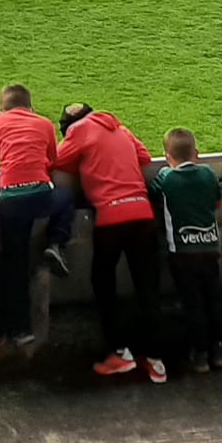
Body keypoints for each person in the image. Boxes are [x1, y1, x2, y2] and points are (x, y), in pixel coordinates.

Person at [53, 103, 166, 384]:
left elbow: (55, 160)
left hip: (110, 216)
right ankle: (156, 361)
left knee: (103, 283)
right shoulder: (121, 128)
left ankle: (119, 352)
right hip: (142, 212)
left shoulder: (78, 131)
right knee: (148, 287)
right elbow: (144, 156)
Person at [0, 84, 73, 343]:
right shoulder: (44, 123)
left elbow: (2, 154)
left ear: (2, 106)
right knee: (66, 196)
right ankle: (57, 243)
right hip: (40, 195)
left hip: (11, 199)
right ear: (30, 105)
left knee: (14, 263)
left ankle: (19, 329)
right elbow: (53, 160)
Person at [155, 128, 222, 373]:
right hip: (210, 249)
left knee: (193, 304)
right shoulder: (208, 174)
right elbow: (218, 203)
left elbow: (153, 194)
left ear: (168, 156)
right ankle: (218, 349)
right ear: (196, 154)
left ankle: (199, 354)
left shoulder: (165, 177)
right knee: (214, 299)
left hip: (182, 254)